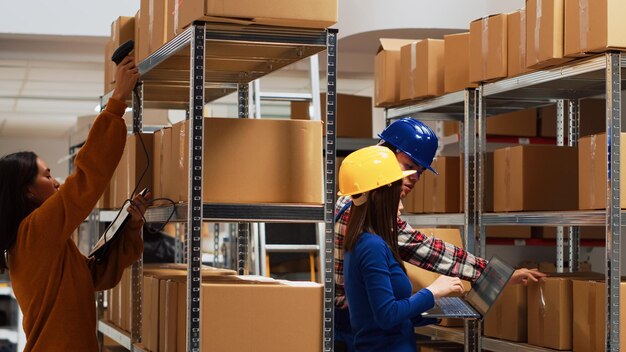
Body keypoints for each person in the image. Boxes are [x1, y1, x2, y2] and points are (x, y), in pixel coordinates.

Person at [334, 118, 545, 351]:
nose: (415, 177)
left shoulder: (362, 217)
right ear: (385, 155)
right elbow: (427, 252)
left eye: (421, 171)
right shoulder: (363, 223)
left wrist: (431, 309)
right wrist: (436, 291)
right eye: (409, 165)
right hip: (357, 329)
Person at [0, 55, 145, 351]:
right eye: (47, 174)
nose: (55, 182)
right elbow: (84, 181)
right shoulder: (33, 233)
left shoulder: (42, 242)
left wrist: (130, 227)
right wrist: (117, 103)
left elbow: (93, 277)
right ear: (27, 191)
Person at [340, 146, 465, 352]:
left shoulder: (367, 241)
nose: (401, 207)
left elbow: (382, 313)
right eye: (397, 196)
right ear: (378, 197)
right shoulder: (371, 246)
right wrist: (433, 292)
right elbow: (386, 316)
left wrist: (430, 312)